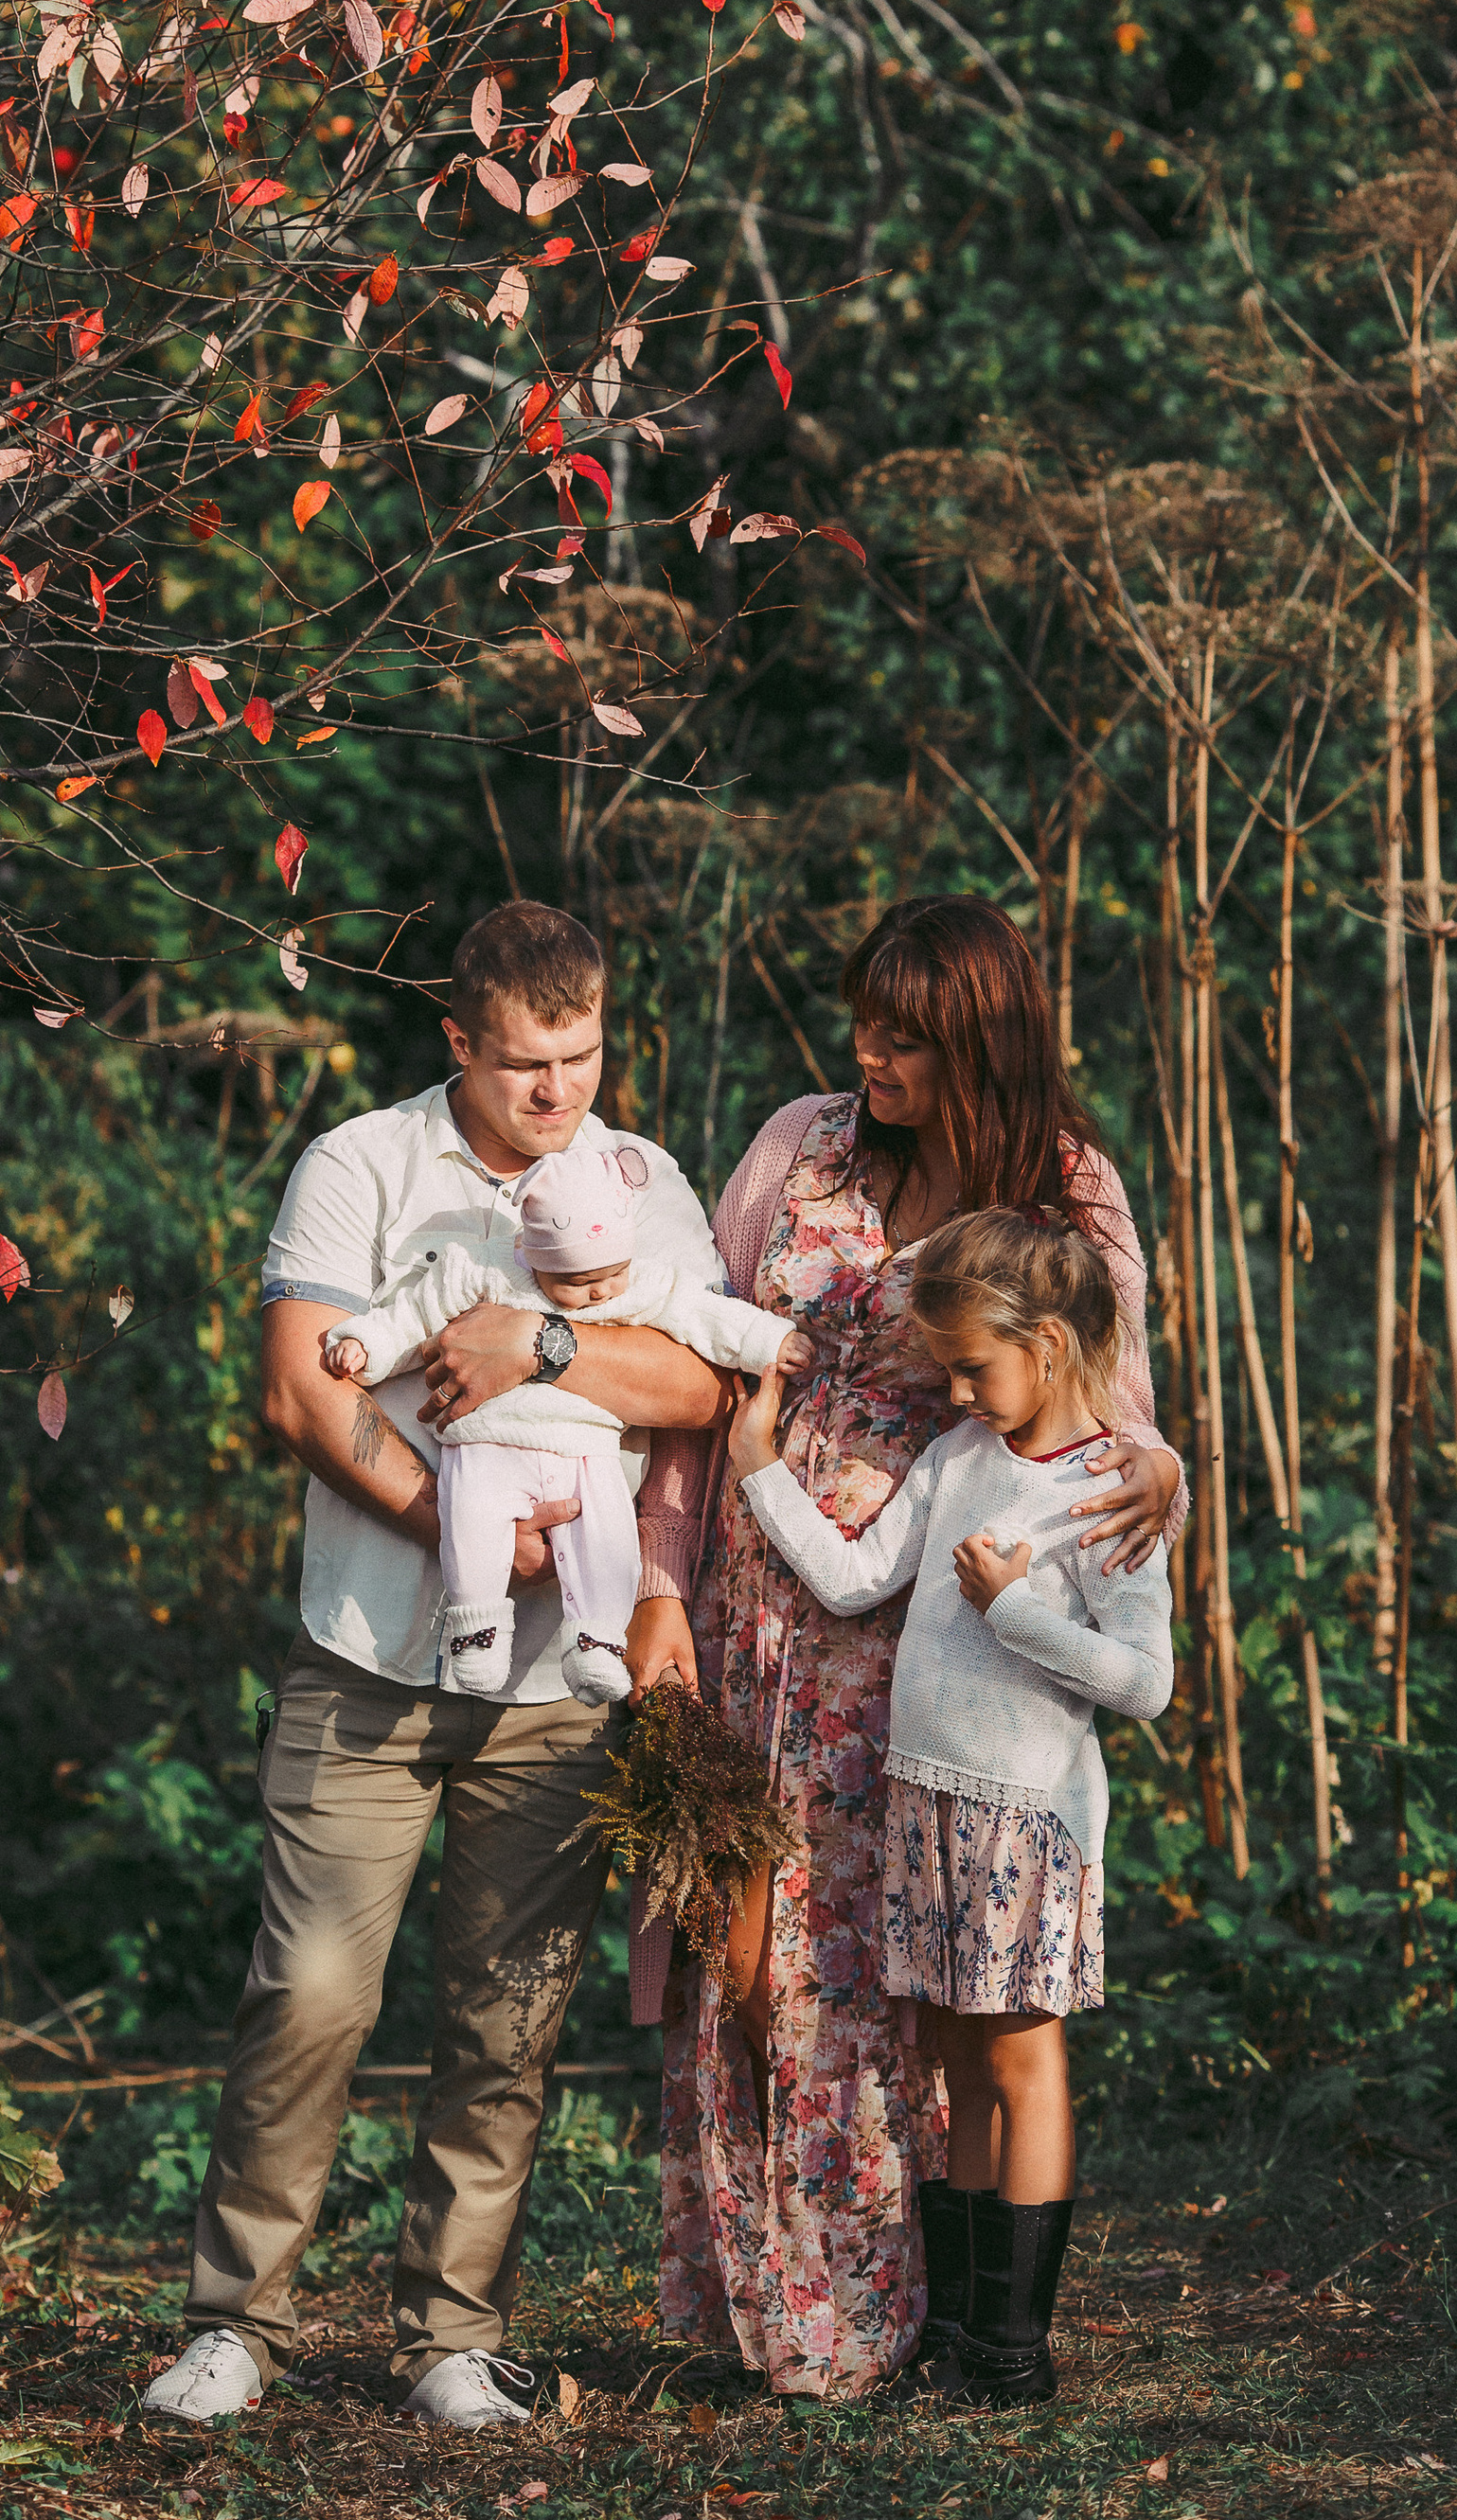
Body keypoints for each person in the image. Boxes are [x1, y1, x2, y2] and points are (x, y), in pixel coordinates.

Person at [141, 900, 726, 2433]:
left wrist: (531, 1350)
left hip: (561, 1694)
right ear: (458, 1039)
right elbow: (299, 1393)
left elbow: (696, 1382)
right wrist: (460, 1527)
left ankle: (451, 2335)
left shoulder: (641, 1179)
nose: (561, 1094)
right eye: (528, 1063)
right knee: (312, 1998)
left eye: (585, 1056)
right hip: (368, 1663)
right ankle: (235, 2325)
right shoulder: (363, 1166)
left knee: (505, 2018)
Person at [626, 892, 1186, 2403]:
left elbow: (1111, 1426)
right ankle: (762, 2308)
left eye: (907, 1035)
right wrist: (662, 1585)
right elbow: (700, 1379)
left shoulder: (1069, 1194)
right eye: (862, 1018)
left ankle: (911, 2317)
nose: (867, 1052)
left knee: (888, 1987)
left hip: (926, 1659)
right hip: (763, 1611)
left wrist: (1172, 1478)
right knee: (746, 1962)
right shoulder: (798, 1149)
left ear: (981, 1040)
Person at [725, 1206, 1174, 2405]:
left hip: (1026, 1820)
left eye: (977, 1364)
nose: (962, 1390)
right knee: (954, 2072)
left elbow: (1144, 1684)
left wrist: (1016, 1613)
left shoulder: (1112, 1493)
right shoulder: (960, 1458)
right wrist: (758, 1466)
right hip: (924, 1810)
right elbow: (856, 1576)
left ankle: (1018, 2354)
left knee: (1023, 2063)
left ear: (1053, 1341)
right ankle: (964, 2334)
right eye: (950, 1369)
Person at [325, 1132, 808, 1704]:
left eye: (610, 1274)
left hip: (587, 1448)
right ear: (531, 1256)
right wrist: (367, 1343)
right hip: (489, 1442)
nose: (599, 1292)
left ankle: (597, 1642)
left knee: (606, 1540)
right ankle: (475, 1630)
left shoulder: (633, 1285)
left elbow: (704, 1317)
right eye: (576, 1283)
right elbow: (415, 1312)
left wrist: (769, 1341)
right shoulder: (488, 1270)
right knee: (472, 1525)